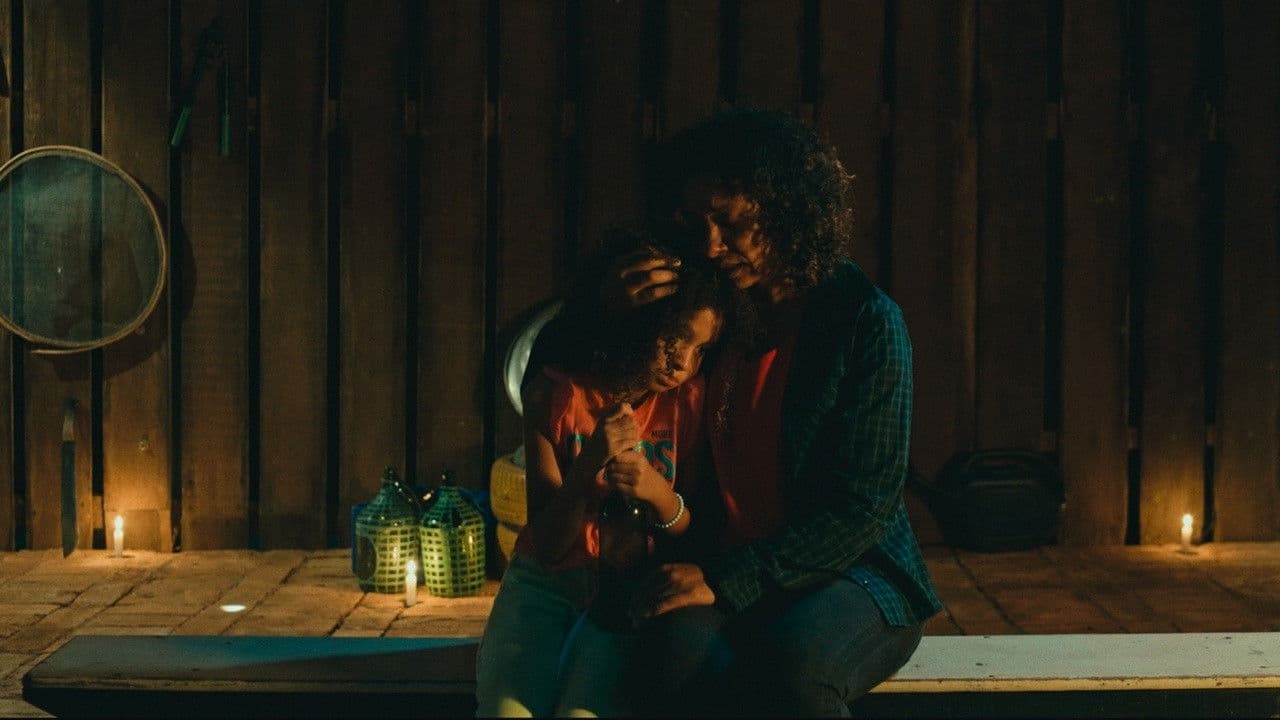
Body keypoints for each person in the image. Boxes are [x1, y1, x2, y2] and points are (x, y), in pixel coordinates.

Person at [597, 107, 944, 716]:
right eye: (697, 222)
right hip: (728, 556)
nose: (710, 244)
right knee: (664, 654)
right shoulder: (710, 305)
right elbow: (574, 378)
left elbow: (862, 509)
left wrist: (727, 580)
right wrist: (606, 313)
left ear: (787, 210)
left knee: (794, 670)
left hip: (853, 572)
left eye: (730, 222)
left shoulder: (863, 320)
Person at [474, 234, 754, 717]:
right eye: (674, 338)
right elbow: (550, 545)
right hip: (545, 586)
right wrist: (588, 466)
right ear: (638, 322)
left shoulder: (688, 402)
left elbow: (695, 530)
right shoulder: (556, 395)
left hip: (625, 592)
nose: (683, 363)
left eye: (701, 349)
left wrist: (657, 492)